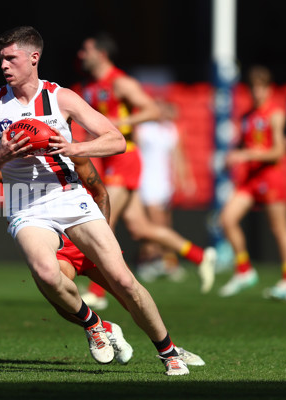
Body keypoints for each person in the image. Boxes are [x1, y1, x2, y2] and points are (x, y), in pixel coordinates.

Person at [0, 26, 189, 375]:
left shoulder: (61, 98)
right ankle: (95, 325)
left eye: (11, 58)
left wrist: (75, 148)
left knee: (123, 280)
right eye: (1, 59)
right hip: (25, 204)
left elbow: (116, 140)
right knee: (46, 273)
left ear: (33, 58)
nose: (4, 65)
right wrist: (0, 157)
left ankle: (168, 350)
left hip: (70, 197)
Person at [0, 157, 206, 368]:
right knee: (58, 294)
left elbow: (101, 193)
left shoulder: (68, 151)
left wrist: (101, 236)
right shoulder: (5, 165)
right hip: (55, 245)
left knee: (130, 293)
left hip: (85, 239)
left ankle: (170, 349)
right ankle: (100, 327)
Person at [71, 34, 215, 306]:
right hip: (111, 160)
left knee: (102, 221)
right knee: (139, 228)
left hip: (126, 156)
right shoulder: (89, 86)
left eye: (86, 49)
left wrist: (119, 121)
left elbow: (152, 111)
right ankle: (199, 256)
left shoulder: (120, 82)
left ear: (102, 54)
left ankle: (99, 293)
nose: (81, 54)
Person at [219, 66, 286, 299]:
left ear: (268, 88)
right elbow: (243, 146)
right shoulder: (248, 116)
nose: (257, 92)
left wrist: (246, 155)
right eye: (254, 88)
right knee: (227, 218)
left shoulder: (275, 113)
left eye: (262, 87)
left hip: (272, 176)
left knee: (279, 229)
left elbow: (278, 151)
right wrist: (232, 157)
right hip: (251, 179)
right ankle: (244, 270)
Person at [136, 100, 196, 282]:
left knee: (164, 223)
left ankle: (162, 261)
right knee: (155, 224)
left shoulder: (171, 130)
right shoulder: (144, 129)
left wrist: (185, 179)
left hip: (164, 183)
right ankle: (154, 260)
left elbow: (178, 156)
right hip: (146, 181)